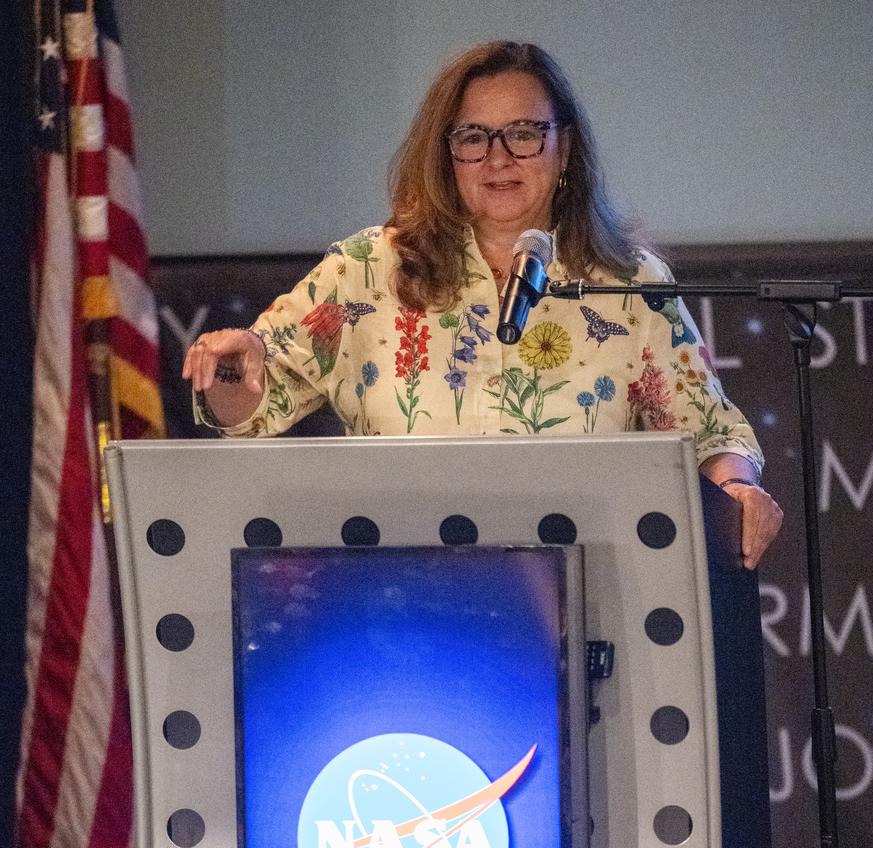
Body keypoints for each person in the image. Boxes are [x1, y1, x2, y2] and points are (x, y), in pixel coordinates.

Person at [183, 40, 782, 568]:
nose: (499, 158)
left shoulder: (628, 283)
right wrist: (230, 366)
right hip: (397, 592)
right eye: (473, 137)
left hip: (587, 602)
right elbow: (252, 407)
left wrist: (738, 493)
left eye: (523, 133)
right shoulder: (367, 270)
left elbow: (712, 436)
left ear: (564, 148)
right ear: (447, 154)